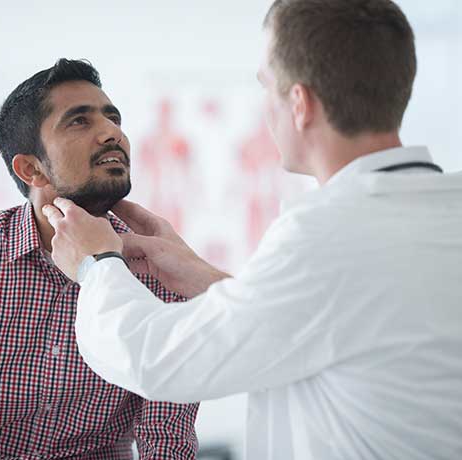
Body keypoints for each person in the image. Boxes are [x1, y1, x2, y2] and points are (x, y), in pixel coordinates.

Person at [43, 1, 462, 459]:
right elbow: (341, 323)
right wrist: (206, 278)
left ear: (299, 103)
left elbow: (157, 358)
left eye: (267, 87)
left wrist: (97, 263)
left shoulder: (328, 233)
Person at [0, 59, 199, 459]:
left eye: (113, 117)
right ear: (31, 168)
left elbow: (167, 437)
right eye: (79, 122)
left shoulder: (160, 267)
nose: (112, 133)